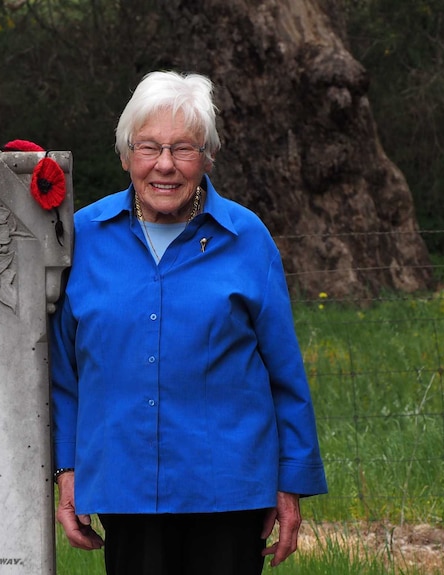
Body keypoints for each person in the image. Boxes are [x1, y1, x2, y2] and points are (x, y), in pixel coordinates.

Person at [49, 70, 327, 575]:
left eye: (183, 149)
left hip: (230, 487)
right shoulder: (81, 236)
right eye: (149, 147)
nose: (165, 165)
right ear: (125, 154)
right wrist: (67, 469)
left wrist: (290, 482)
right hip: (123, 484)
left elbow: (285, 372)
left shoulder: (246, 237)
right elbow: (63, 373)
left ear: (208, 157)